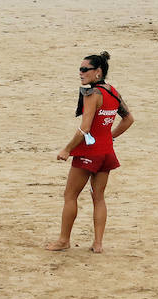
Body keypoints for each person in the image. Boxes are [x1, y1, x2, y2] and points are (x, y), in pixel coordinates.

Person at [45, 52, 134, 253]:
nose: (81, 73)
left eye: (85, 69)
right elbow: (128, 119)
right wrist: (110, 137)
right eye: (80, 69)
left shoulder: (92, 95)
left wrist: (67, 149)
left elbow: (84, 128)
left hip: (88, 153)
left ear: (98, 72)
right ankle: (98, 243)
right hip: (106, 153)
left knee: (70, 195)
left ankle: (63, 240)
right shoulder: (113, 92)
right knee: (99, 197)